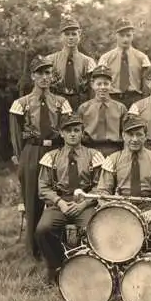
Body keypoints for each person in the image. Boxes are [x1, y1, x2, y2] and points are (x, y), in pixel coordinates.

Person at [9, 55, 72, 259]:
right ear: (33, 76)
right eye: (40, 73)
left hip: (55, 151)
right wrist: (21, 159)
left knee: (57, 195)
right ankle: (34, 250)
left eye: (47, 73)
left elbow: (67, 129)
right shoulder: (22, 103)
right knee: (32, 198)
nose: (44, 77)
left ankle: (56, 246)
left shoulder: (61, 103)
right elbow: (16, 135)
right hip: (32, 151)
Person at [35, 114, 105, 284]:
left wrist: (83, 204)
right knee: (42, 229)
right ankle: (57, 266)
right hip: (60, 202)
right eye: (68, 131)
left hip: (86, 202)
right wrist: (59, 202)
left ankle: (93, 269)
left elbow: (101, 187)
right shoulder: (51, 157)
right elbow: (43, 187)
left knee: (95, 230)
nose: (73, 134)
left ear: (82, 133)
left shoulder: (94, 156)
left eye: (76, 130)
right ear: (61, 133)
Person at [96, 115, 151, 232]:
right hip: (121, 207)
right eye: (130, 134)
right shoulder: (113, 160)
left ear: (145, 136)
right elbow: (103, 191)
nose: (134, 139)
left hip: (148, 207)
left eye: (139, 134)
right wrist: (113, 208)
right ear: (123, 136)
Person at [98, 17, 151, 108]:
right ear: (116, 35)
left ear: (133, 35)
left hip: (134, 99)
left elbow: (146, 84)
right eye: (122, 35)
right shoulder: (106, 58)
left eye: (128, 35)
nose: (125, 39)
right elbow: (101, 82)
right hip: (113, 99)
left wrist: (143, 103)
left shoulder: (142, 57)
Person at [46, 16, 96, 111]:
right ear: (61, 36)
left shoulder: (89, 61)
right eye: (67, 34)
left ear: (79, 35)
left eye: (74, 34)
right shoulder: (50, 60)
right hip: (57, 104)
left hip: (81, 104)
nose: (70, 38)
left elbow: (93, 89)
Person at [77, 65, 128, 157]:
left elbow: (125, 133)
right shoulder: (84, 108)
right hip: (90, 149)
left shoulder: (120, 108)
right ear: (92, 85)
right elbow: (79, 133)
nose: (102, 87)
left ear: (111, 85)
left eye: (106, 84)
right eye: (99, 84)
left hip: (114, 150)